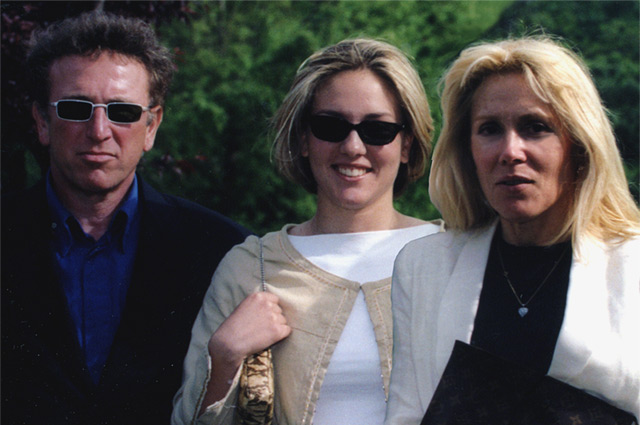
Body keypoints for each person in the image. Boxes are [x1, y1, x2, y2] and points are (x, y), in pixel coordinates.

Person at [171, 38, 444, 425]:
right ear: (302, 139)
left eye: (377, 130)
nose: (353, 146)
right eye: (330, 126)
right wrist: (225, 357)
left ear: (406, 145)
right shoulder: (251, 268)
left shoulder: (454, 256)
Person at [1, 11, 251, 425]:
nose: (99, 130)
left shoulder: (221, 252)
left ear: (151, 126)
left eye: (122, 112)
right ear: (42, 121)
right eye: (76, 108)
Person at [385, 36, 640, 424]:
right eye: (489, 129)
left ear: (578, 143)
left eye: (535, 127)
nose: (510, 151)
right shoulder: (423, 267)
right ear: (467, 150)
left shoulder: (631, 264)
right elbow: (406, 415)